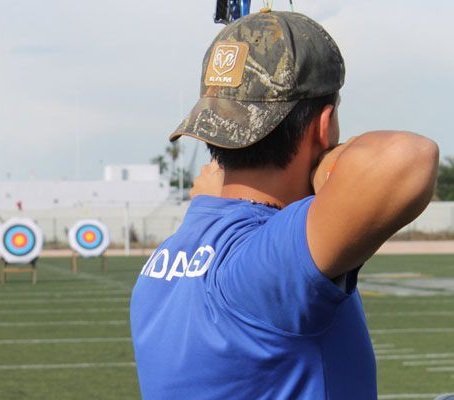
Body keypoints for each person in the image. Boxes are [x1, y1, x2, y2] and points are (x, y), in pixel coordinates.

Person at [130, 10, 438, 399]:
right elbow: (408, 158)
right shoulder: (267, 262)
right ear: (324, 125)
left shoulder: (163, 263)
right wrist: (322, 164)